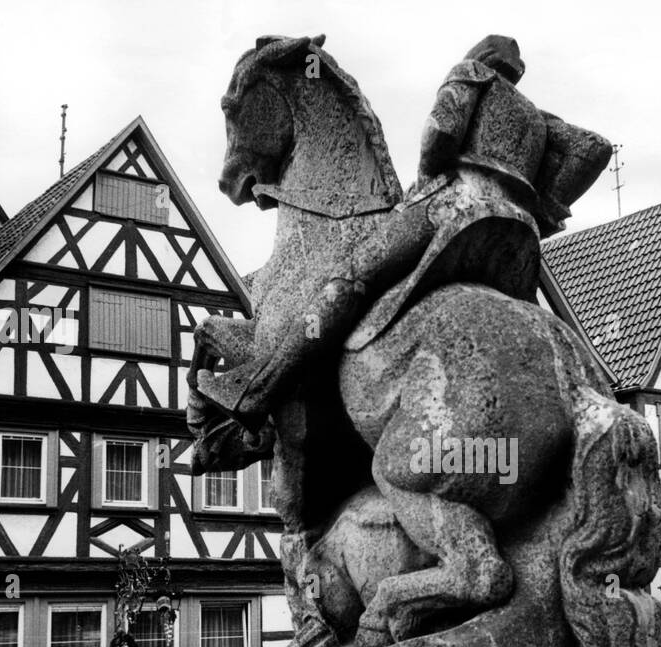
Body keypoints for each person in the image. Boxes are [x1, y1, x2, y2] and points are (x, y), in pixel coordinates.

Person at [196, 35, 611, 431]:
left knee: (348, 277)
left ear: (482, 55)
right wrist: (539, 206)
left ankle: (258, 389)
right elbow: (592, 148)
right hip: (517, 228)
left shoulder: (471, 73)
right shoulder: (534, 116)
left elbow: (440, 131)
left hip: (454, 205)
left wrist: (429, 180)